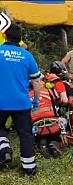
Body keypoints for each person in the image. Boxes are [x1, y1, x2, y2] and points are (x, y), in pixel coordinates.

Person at [0, 23, 42, 176]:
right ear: (20, 39)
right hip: (22, 103)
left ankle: (4, 149)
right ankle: (29, 167)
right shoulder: (27, 56)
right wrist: (36, 100)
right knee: (25, 134)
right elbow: (37, 82)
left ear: (4, 35)